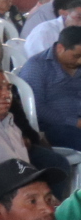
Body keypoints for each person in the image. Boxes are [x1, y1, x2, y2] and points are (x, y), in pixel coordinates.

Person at [18, 24, 81, 152]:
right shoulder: (37, 67)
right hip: (53, 126)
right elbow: (37, 108)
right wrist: (74, 122)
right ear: (60, 48)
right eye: (76, 56)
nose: (80, 61)